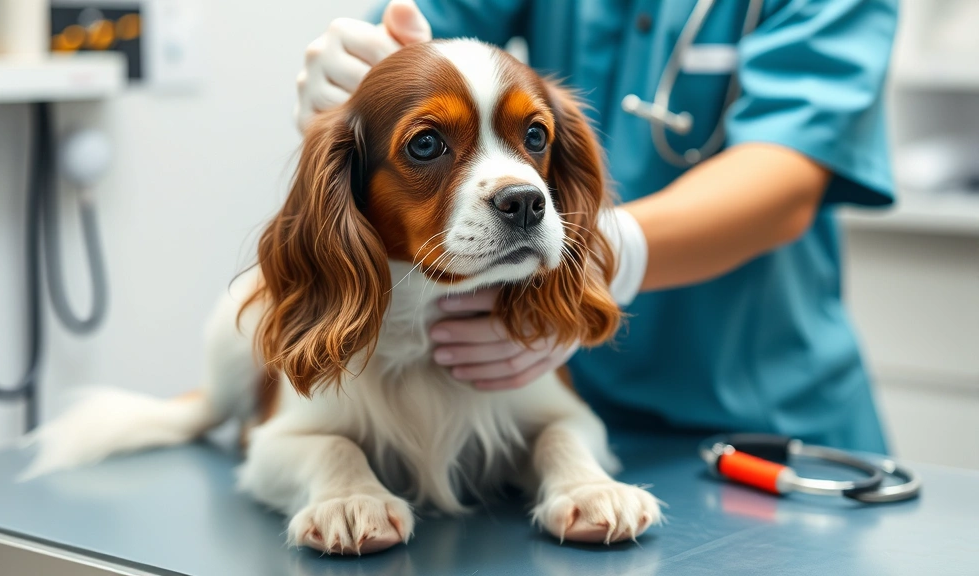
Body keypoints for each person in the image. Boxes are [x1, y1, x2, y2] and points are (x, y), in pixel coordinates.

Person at [294, 0, 898, 453]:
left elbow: (787, 175)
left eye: (534, 140)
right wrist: (356, 67)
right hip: (546, 408)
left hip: (766, 411)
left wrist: (603, 254)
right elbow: (420, 45)